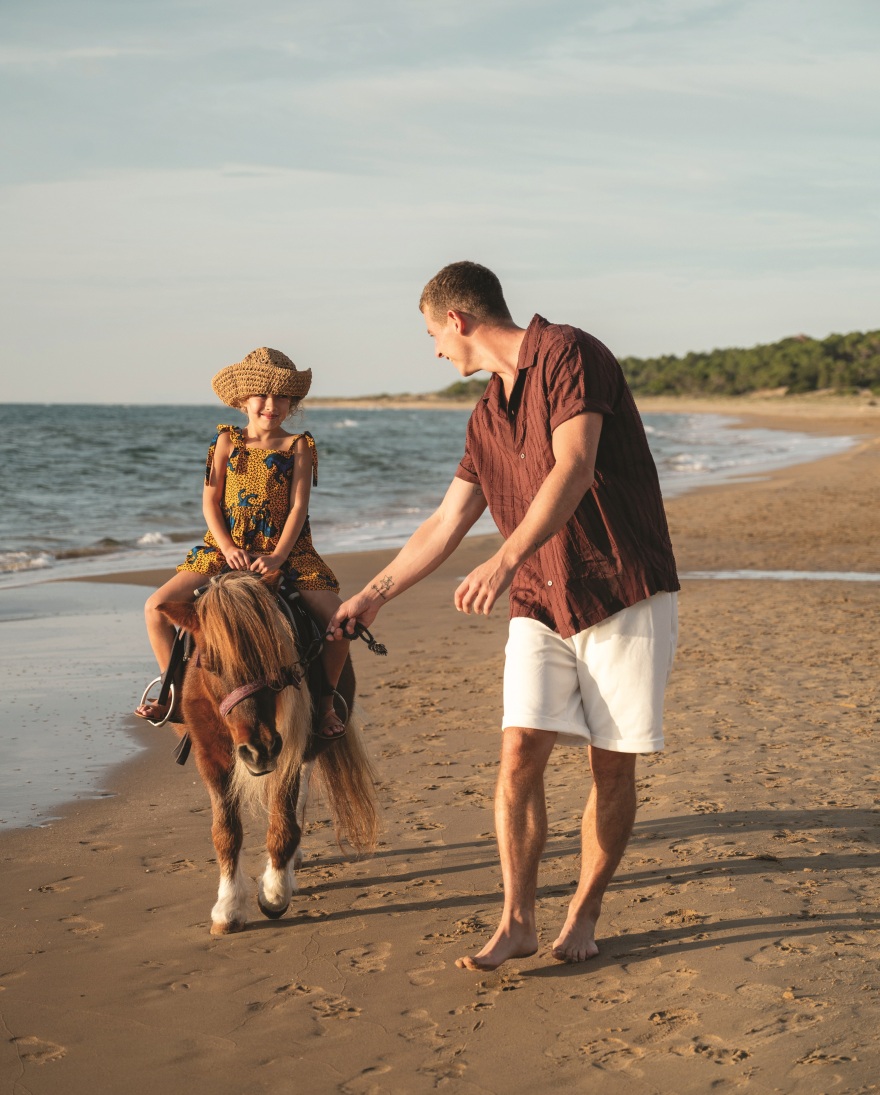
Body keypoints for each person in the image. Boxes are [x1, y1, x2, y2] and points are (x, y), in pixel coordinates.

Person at [328, 261, 679, 969]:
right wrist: (374, 593)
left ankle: (583, 912)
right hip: (540, 600)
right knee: (519, 751)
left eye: (433, 334)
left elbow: (573, 466)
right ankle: (517, 919)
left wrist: (506, 556)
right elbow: (447, 519)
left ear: (457, 319)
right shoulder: (486, 415)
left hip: (620, 589)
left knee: (608, 767)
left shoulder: (570, 354)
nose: (435, 350)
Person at [136, 346, 349, 738]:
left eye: (282, 396)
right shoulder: (225, 441)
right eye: (262, 395)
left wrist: (279, 556)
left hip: (287, 551)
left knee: (342, 622)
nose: (272, 404)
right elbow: (210, 501)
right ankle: (173, 693)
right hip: (224, 548)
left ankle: (326, 703)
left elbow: (299, 507)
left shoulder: (299, 445)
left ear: (292, 402)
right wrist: (227, 547)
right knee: (154, 608)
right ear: (243, 400)